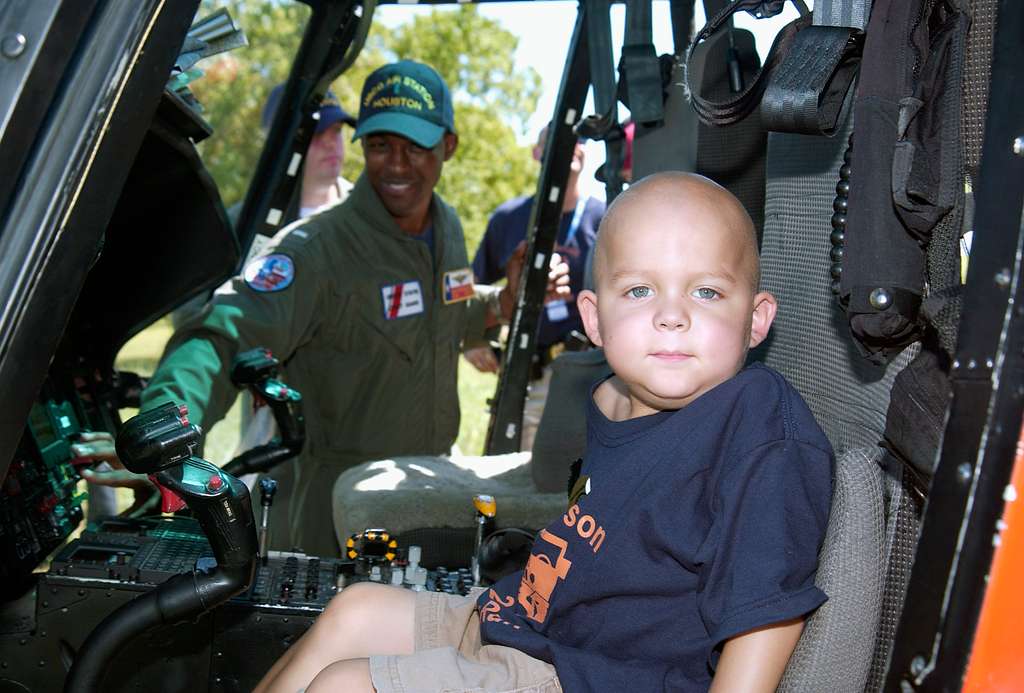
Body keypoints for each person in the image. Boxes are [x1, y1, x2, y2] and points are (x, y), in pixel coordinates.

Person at [253, 171, 835, 693]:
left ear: (756, 318)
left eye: (706, 291)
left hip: (594, 675)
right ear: (593, 319)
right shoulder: (615, 400)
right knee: (353, 611)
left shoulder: (756, 421)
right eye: (639, 290)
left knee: (348, 687)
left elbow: (765, 609)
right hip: (532, 623)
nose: (672, 314)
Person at [78, 60, 569, 556]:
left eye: (415, 147)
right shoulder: (316, 251)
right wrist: (162, 434)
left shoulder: (447, 226)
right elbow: (222, 337)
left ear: (448, 146)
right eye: (380, 145)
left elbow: (449, 313)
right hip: (331, 515)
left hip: (420, 493)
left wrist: (504, 301)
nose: (397, 164)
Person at [466, 124, 605, 451]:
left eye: (579, 139)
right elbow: (468, 285)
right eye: (556, 138)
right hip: (525, 379)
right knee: (518, 485)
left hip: (588, 377)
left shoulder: (606, 216)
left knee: (583, 488)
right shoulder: (509, 218)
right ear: (536, 153)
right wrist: (471, 339)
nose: (572, 144)